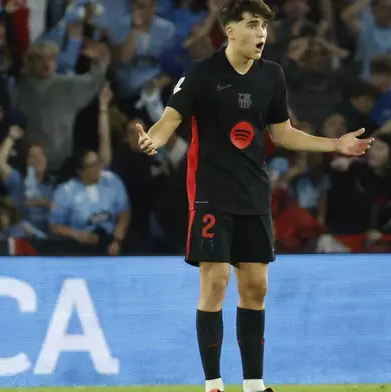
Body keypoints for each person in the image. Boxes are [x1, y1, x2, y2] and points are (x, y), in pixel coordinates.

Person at [136, 0, 373, 390]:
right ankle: (213, 384)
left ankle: (253, 384)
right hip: (212, 192)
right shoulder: (201, 74)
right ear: (230, 32)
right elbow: (169, 120)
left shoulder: (272, 76)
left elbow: (282, 133)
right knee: (216, 282)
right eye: (252, 24)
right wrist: (154, 142)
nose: (261, 32)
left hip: (253, 193)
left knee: (257, 287)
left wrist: (335, 145)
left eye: (263, 25)